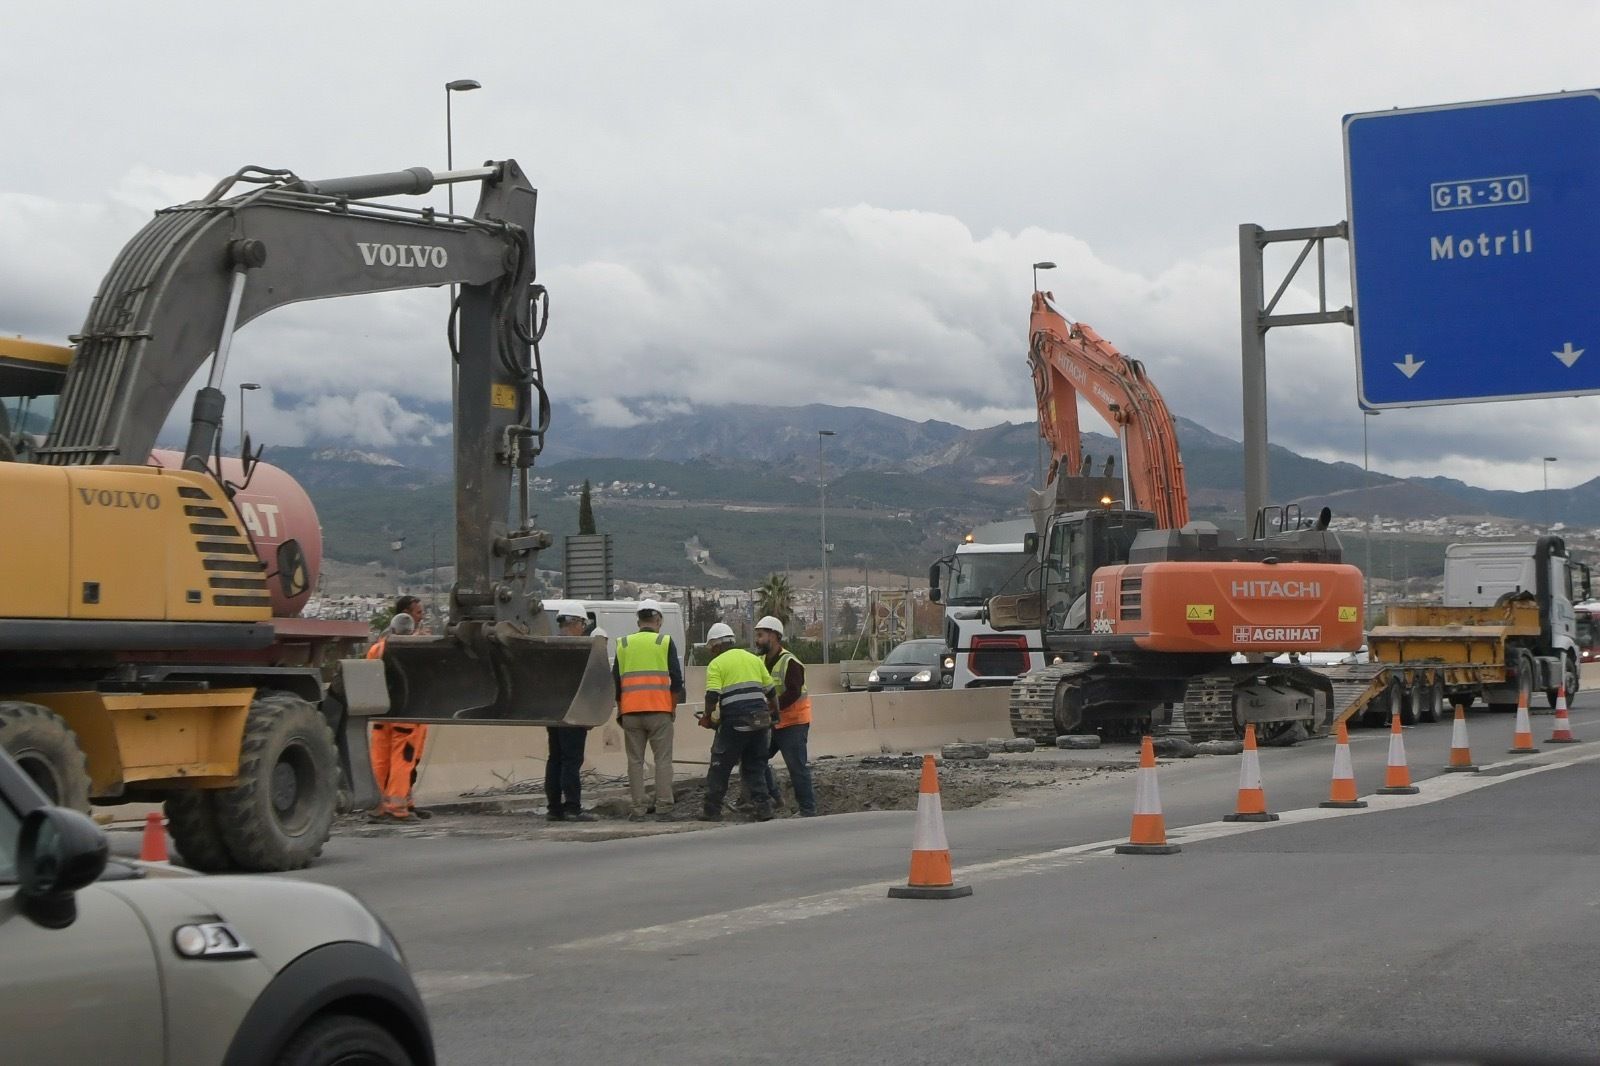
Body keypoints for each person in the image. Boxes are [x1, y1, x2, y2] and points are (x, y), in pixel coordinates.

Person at [614, 599, 685, 821]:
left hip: (630, 713)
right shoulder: (664, 642)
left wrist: (621, 708)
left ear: (638, 621)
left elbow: (615, 681)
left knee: (634, 761)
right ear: (658, 620)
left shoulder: (623, 643)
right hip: (658, 710)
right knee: (662, 760)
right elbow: (676, 680)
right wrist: (671, 708)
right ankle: (664, 806)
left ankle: (638, 808)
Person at [697, 622, 777, 822]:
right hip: (760, 722)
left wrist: (707, 717)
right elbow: (771, 691)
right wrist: (775, 713)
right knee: (755, 766)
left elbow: (712, 695)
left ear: (716, 645)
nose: (711, 652)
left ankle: (711, 810)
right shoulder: (753, 659)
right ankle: (764, 808)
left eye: (711, 648)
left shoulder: (716, 664)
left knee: (719, 766)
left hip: (735, 722)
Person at [366, 600, 431, 823]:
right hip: (407, 714)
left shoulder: (377, 648)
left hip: (382, 715)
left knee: (379, 761)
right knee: (404, 761)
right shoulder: (413, 650)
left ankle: (379, 805)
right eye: (419, 613)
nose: (422, 616)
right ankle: (397, 807)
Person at [755, 616, 817, 817]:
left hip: (794, 723)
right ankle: (772, 798)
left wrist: (773, 707)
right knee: (756, 759)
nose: (757, 640)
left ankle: (808, 809)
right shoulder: (760, 662)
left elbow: (794, 692)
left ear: (773, 636)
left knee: (796, 767)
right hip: (773, 723)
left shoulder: (790, 662)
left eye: (761, 635)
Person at [544, 601, 598, 822]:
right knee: (571, 761)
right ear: (575, 623)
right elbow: (586, 685)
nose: (584, 628)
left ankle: (554, 808)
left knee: (555, 759)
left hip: (552, 713)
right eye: (583, 624)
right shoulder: (579, 648)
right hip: (573, 714)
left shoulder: (548, 648)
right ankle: (572, 807)